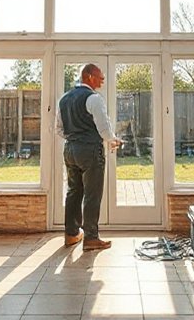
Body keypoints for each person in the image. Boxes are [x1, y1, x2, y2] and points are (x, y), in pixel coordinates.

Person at [56, 64, 122, 251]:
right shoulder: (93, 98)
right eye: (100, 77)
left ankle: (71, 234)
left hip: (70, 150)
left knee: (74, 191)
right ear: (89, 76)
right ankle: (91, 237)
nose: (102, 80)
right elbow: (104, 128)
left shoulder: (64, 99)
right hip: (90, 151)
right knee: (92, 194)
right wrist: (113, 140)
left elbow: (59, 129)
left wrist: (75, 139)